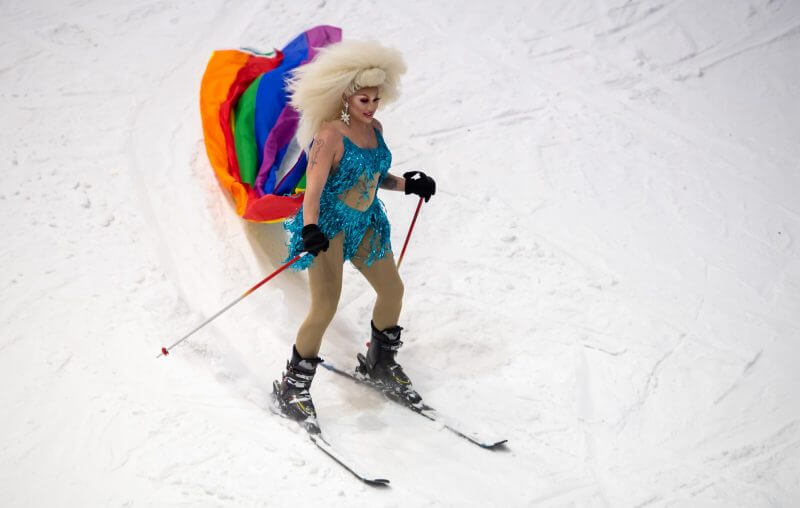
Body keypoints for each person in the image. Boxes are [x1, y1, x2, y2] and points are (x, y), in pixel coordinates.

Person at [271, 40, 436, 434]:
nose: (371, 107)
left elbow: (374, 179)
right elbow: (313, 191)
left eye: (376, 99)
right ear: (347, 95)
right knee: (325, 307)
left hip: (366, 223)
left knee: (392, 290)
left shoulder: (375, 130)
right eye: (364, 99)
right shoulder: (329, 136)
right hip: (329, 227)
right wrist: (311, 228)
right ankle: (293, 387)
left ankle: (380, 363)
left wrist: (407, 184)